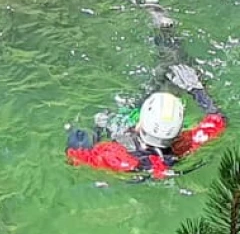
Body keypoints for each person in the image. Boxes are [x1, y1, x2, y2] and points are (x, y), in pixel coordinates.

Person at [67, 64, 225, 178]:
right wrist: (196, 89)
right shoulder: (184, 146)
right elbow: (218, 121)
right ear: (178, 131)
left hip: (126, 147)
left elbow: (75, 154)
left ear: (140, 123)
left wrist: (96, 130)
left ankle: (162, 67)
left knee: (123, 110)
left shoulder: (117, 157)